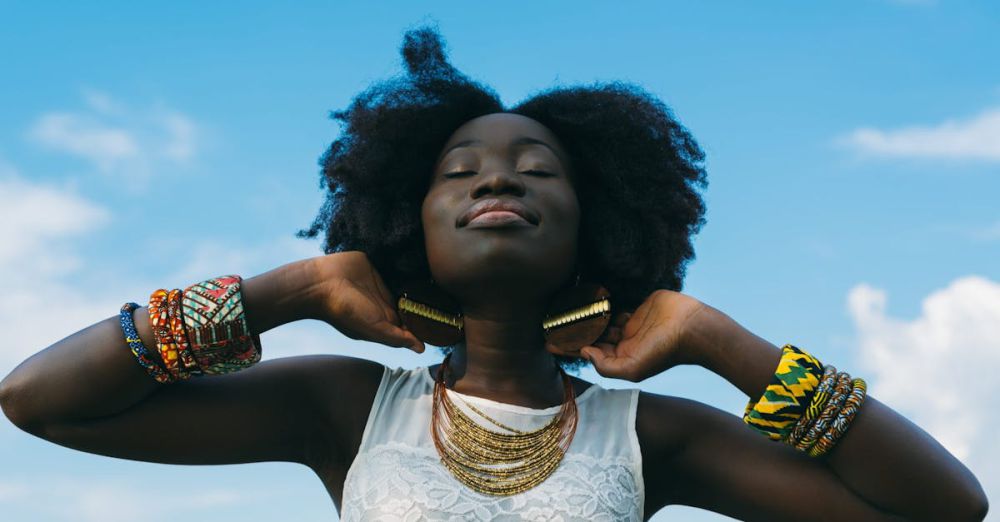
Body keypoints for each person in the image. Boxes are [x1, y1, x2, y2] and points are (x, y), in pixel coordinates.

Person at [0, 26, 988, 521]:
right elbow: (39, 400)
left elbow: (945, 509)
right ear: (404, 224)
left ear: (593, 226)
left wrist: (717, 342)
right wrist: (286, 291)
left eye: (536, 168)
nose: (498, 177)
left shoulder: (647, 436)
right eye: (458, 172)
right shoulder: (347, 409)